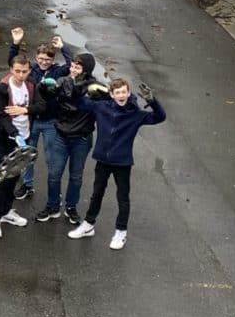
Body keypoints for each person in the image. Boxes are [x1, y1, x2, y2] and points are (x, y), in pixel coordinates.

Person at [68, 79, 165, 249]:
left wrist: (152, 101)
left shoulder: (136, 114)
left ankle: (121, 232)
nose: (121, 95)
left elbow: (160, 117)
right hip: (102, 160)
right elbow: (79, 102)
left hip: (122, 162)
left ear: (128, 93)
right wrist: (79, 86)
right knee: (96, 194)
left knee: (122, 198)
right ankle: (88, 225)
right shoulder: (101, 107)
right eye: (117, 92)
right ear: (111, 95)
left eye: (123, 92)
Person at [0, 54, 45, 239]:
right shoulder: (3, 86)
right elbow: (1, 114)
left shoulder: (32, 85)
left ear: (29, 70)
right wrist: (14, 134)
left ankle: (6, 211)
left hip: (25, 137)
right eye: (17, 71)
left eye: (24, 71)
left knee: (14, 176)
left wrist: (25, 110)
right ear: (11, 70)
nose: (21, 75)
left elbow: (42, 106)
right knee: (2, 177)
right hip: (6, 138)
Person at [8, 27, 71, 200]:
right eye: (41, 59)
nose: (44, 62)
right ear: (36, 58)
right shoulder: (31, 72)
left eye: (47, 59)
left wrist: (63, 47)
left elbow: (73, 64)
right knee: (28, 154)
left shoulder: (58, 71)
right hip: (33, 120)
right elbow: (12, 62)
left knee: (52, 157)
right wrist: (16, 43)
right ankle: (27, 185)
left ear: (52, 59)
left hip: (51, 121)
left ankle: (53, 187)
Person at [37, 53, 99, 224]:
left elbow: (104, 105)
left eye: (77, 67)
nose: (73, 70)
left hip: (82, 138)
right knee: (54, 174)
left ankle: (71, 207)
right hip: (61, 134)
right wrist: (44, 88)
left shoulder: (94, 88)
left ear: (86, 70)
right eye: (72, 66)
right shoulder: (63, 81)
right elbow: (48, 96)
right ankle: (52, 205)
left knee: (76, 176)